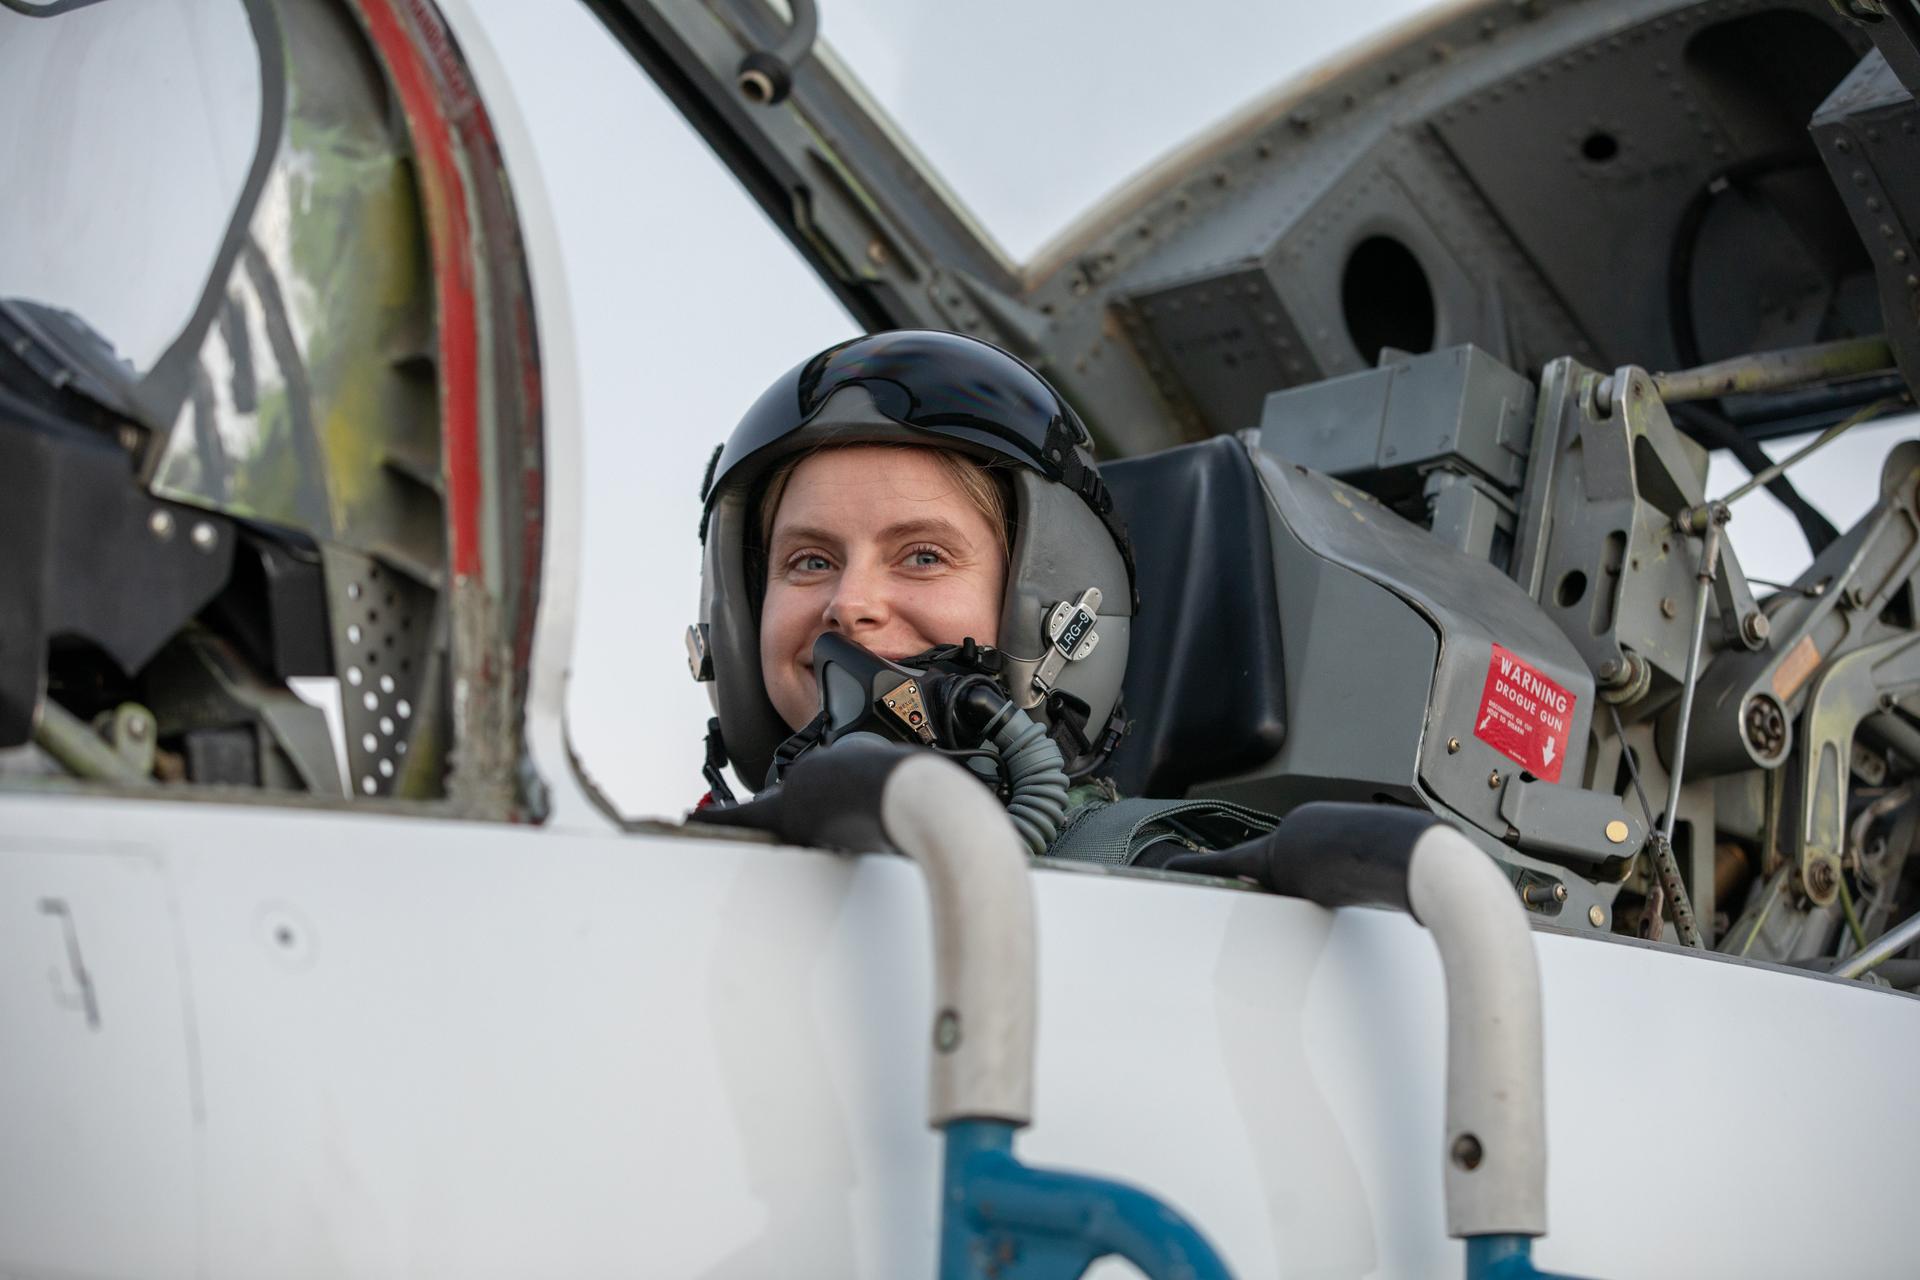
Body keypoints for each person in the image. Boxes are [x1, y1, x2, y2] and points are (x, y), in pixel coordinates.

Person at [688, 328, 1273, 864]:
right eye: (811, 561)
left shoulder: (1158, 883)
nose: (850, 604)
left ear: (1051, 613)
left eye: (922, 557)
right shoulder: (691, 876)